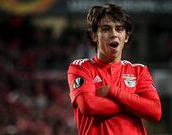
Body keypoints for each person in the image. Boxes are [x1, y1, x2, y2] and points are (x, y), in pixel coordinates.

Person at [67, 3, 162, 135]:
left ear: (126, 37)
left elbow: (155, 111)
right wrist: (134, 103)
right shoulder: (81, 68)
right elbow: (89, 106)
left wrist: (113, 91)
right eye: (106, 29)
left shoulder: (139, 71)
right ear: (94, 36)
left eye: (119, 29)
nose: (114, 34)